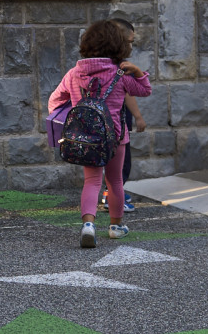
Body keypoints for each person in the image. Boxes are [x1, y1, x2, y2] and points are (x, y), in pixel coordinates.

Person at [49, 20, 152, 248]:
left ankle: (88, 225)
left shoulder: (74, 73)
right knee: (114, 181)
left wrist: (71, 120)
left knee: (91, 180)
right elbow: (144, 90)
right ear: (117, 45)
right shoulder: (120, 73)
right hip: (115, 136)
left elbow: (55, 101)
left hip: (86, 138)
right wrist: (137, 71)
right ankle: (116, 227)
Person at [101, 18, 144, 213]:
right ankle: (112, 198)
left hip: (100, 119)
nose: (130, 46)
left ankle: (108, 194)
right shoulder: (119, 66)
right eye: (129, 41)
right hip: (117, 119)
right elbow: (135, 91)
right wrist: (138, 116)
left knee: (102, 165)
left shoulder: (96, 62)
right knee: (120, 162)